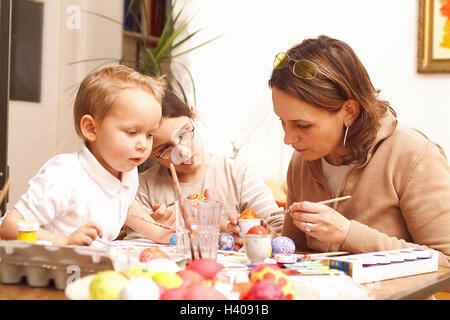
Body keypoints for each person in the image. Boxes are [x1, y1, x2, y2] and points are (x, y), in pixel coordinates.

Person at [231, 35, 450, 266]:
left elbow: (446, 261)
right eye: (282, 121)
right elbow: (295, 253)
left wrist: (348, 234)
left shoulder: (414, 156)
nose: (288, 139)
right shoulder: (302, 160)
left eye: (303, 125)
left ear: (349, 111)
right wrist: (257, 238)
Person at [0, 65, 174, 246]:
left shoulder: (126, 171)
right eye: (131, 132)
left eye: (149, 134)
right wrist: (65, 241)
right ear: (91, 128)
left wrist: (160, 233)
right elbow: (10, 228)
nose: (143, 145)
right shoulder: (64, 175)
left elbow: (125, 205)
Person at [124, 89, 284, 244]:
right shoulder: (140, 188)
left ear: (193, 116)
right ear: (150, 152)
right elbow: (133, 248)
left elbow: (281, 234)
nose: (183, 152)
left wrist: (224, 226)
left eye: (184, 134)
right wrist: (154, 230)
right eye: (165, 148)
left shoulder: (238, 175)